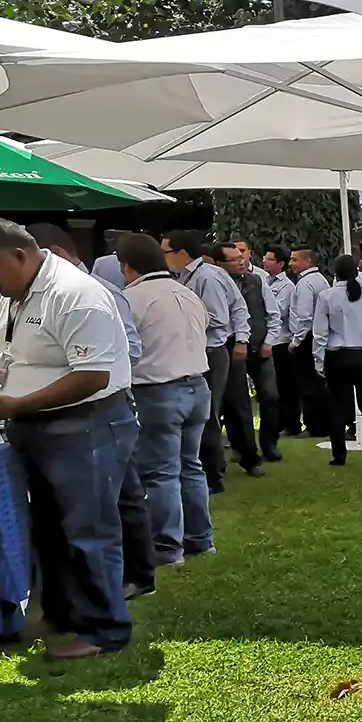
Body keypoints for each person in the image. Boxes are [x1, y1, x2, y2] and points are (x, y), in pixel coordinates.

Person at [0, 219, 135, 660]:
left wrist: (18, 404)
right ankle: (62, 613)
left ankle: (106, 629)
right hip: (36, 425)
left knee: (88, 530)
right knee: (49, 528)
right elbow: (9, 348)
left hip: (84, 425)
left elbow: (93, 375)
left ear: (19, 256)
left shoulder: (75, 294)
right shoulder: (18, 291)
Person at [31, 224, 155, 601]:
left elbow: (131, 348)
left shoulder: (91, 291)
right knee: (120, 494)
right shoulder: (47, 294)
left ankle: (135, 576)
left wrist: (85, 366)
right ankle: (131, 575)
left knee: (121, 497)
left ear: (52, 252)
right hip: (91, 406)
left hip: (105, 405)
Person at [116, 233, 213, 572]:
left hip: (158, 390)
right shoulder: (187, 292)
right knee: (191, 466)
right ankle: (200, 539)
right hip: (197, 385)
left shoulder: (131, 299)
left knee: (161, 473)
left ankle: (168, 547)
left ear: (126, 266)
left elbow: (125, 347)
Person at [165, 231, 253, 488]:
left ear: (181, 254)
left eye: (165, 252)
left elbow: (218, 317)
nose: (162, 257)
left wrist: (180, 319)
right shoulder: (187, 276)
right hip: (200, 351)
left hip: (212, 351)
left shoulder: (206, 277)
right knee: (204, 412)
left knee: (208, 414)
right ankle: (208, 468)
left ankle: (213, 474)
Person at [314, 254, 362, 469]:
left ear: (335, 273)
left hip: (337, 356)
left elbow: (320, 334)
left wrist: (319, 361)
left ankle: (339, 454)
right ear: (357, 271)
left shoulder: (326, 297)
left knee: (338, 407)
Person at [223, 243, 284, 466]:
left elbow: (273, 314)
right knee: (236, 402)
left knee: (270, 396)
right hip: (234, 349)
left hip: (260, 347)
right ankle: (241, 447)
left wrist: (269, 341)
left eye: (242, 254)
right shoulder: (219, 282)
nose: (240, 259)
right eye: (235, 256)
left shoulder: (258, 280)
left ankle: (270, 443)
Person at [284, 248, 331, 439]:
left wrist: (296, 341)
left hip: (307, 338)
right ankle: (322, 424)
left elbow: (304, 316)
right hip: (319, 335)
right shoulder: (321, 280)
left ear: (308, 262)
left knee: (308, 384)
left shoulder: (305, 284)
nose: (291, 264)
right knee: (318, 382)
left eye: (295, 260)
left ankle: (313, 426)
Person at [260, 246, 300, 437]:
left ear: (280, 264)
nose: (264, 261)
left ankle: (291, 424)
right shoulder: (263, 280)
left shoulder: (287, 287)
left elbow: (277, 311)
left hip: (281, 341)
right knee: (272, 387)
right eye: (264, 257)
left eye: (269, 259)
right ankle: (276, 423)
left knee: (285, 387)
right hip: (268, 340)